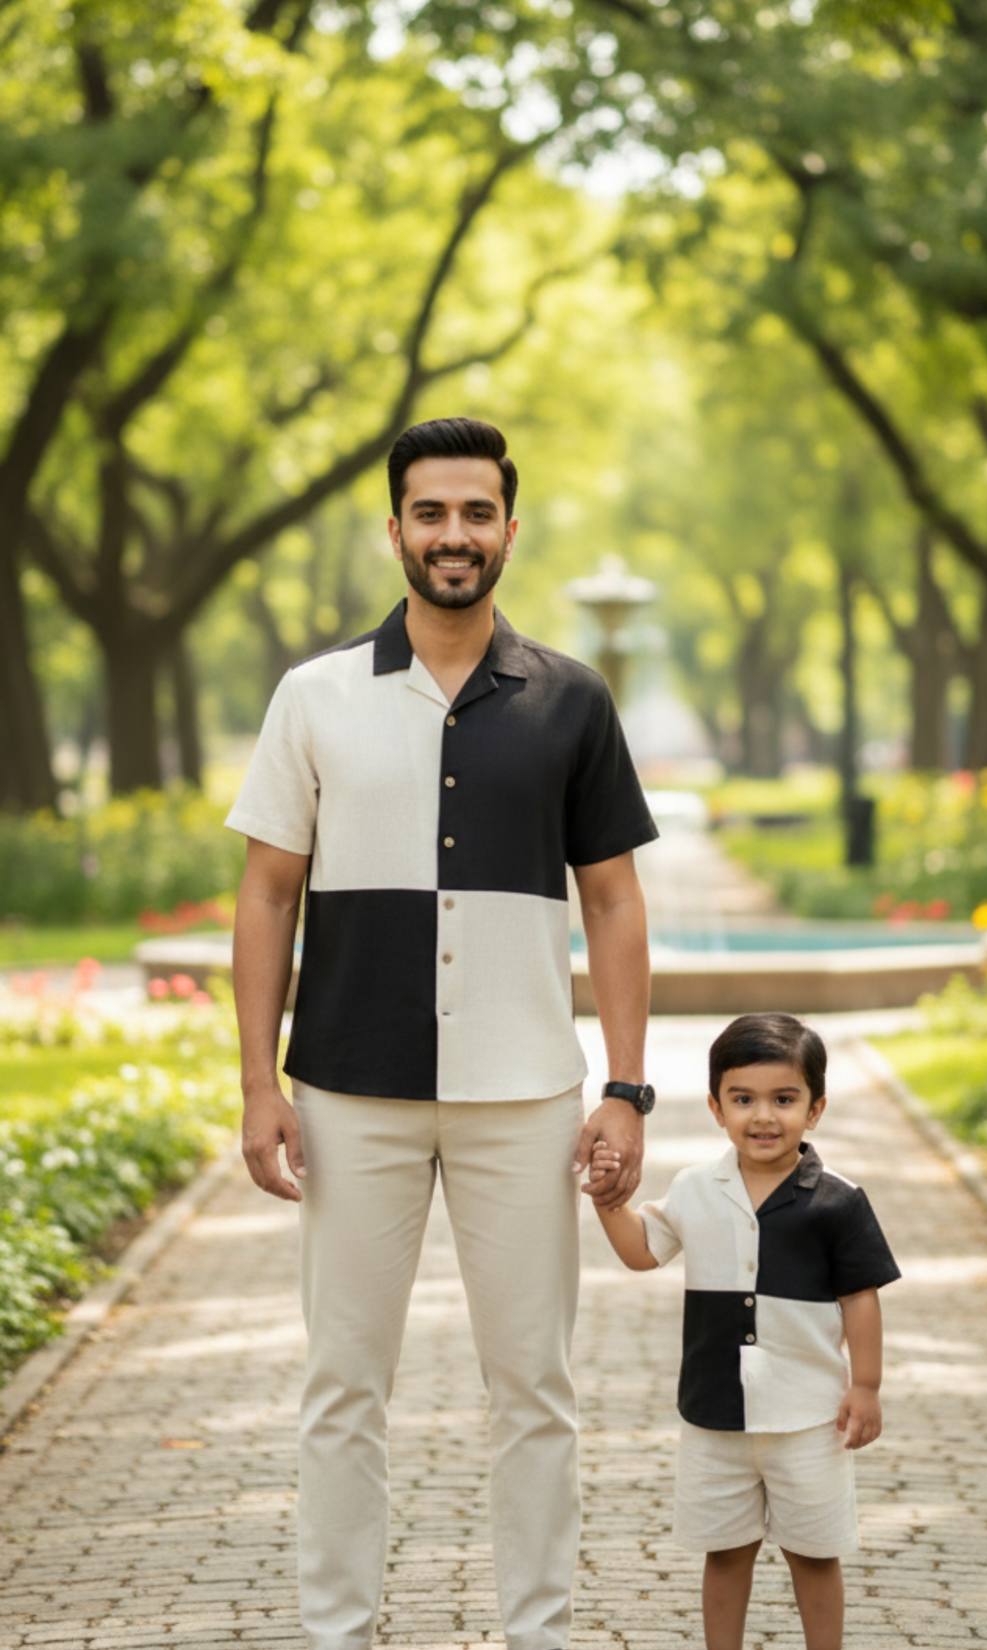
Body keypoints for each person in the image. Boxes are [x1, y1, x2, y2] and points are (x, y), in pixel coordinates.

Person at [226, 415, 659, 1650]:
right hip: (347, 1093)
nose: (453, 535)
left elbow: (615, 899)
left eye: (476, 513)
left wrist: (625, 1086)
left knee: (536, 1392)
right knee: (341, 1390)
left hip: (522, 1091)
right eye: (431, 512)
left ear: (509, 531)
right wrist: (258, 1086)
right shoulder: (312, 696)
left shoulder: (573, 699)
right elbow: (266, 893)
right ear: (395, 530)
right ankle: (337, 1634)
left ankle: (540, 1633)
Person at [585, 1012, 900, 1650]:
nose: (764, 1116)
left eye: (784, 1099)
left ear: (815, 1110)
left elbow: (860, 1297)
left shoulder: (838, 1201)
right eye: (744, 1099)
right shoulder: (696, 1189)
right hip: (714, 1416)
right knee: (725, 1551)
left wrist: (864, 1386)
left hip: (808, 1417)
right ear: (715, 1106)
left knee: (813, 1554)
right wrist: (607, 1202)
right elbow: (643, 1252)